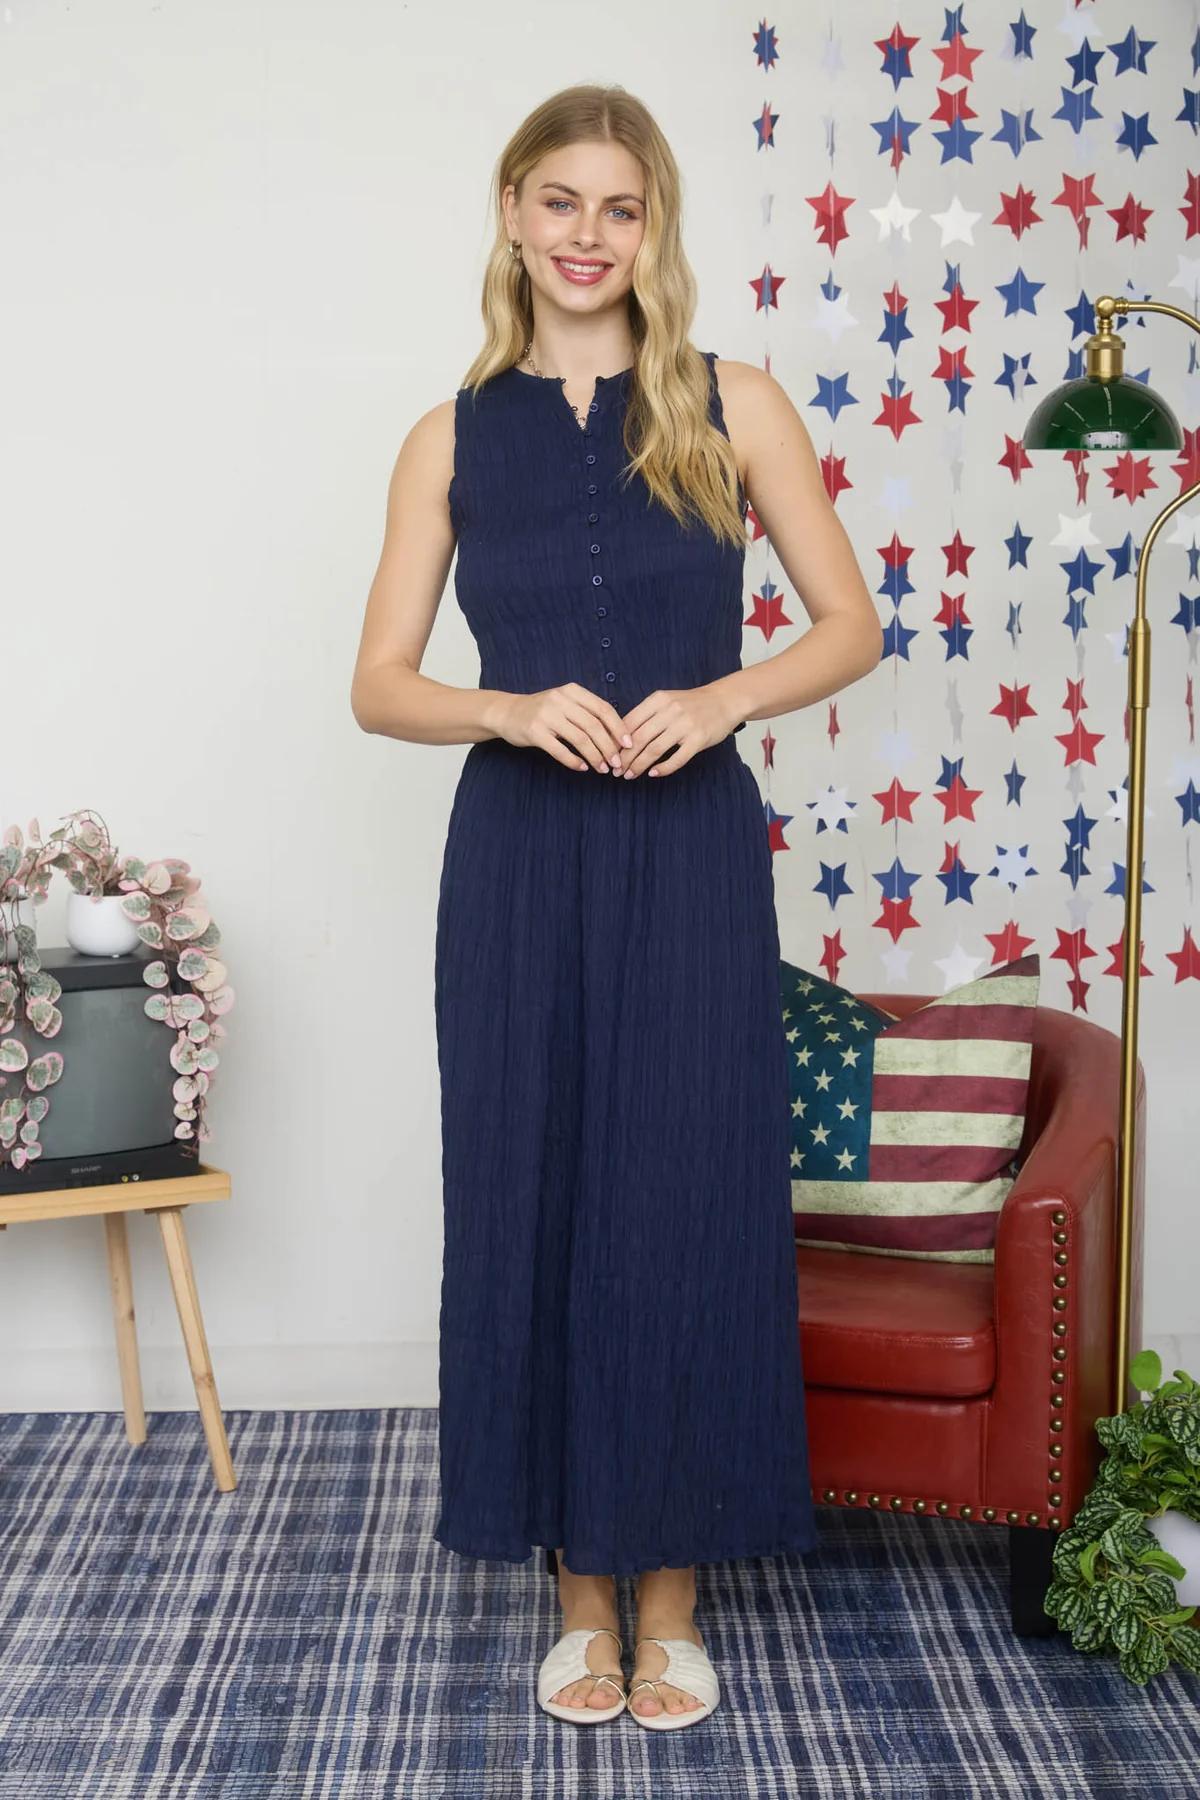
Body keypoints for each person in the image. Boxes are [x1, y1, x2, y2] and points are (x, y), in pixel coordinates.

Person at [351, 83, 882, 1729]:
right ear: (512, 213)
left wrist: (722, 700)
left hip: (687, 850)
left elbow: (849, 625)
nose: (588, 235)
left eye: (621, 207)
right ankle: (577, 1591)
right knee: (535, 1188)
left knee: (682, 1196)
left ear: (657, 229)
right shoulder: (450, 434)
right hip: (516, 854)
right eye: (559, 201)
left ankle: (673, 1588)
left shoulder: (738, 405)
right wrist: (505, 710)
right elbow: (377, 686)